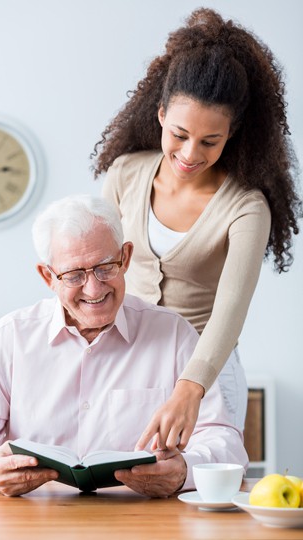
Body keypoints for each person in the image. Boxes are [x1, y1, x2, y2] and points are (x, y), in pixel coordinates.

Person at [91, 8, 301, 452]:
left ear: (233, 134)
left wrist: (191, 389)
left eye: (210, 141)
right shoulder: (126, 174)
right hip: (125, 365)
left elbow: (231, 309)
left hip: (206, 372)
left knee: (199, 499)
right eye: (181, 134)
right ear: (162, 114)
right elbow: (96, 270)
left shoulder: (246, 207)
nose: (189, 153)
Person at [0, 195, 247, 498]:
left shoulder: (175, 335)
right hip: (33, 522)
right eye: (74, 275)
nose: (94, 288)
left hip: (144, 522)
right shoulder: (8, 339)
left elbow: (226, 444)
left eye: (105, 267)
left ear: (125, 258)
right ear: (48, 276)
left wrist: (185, 471)